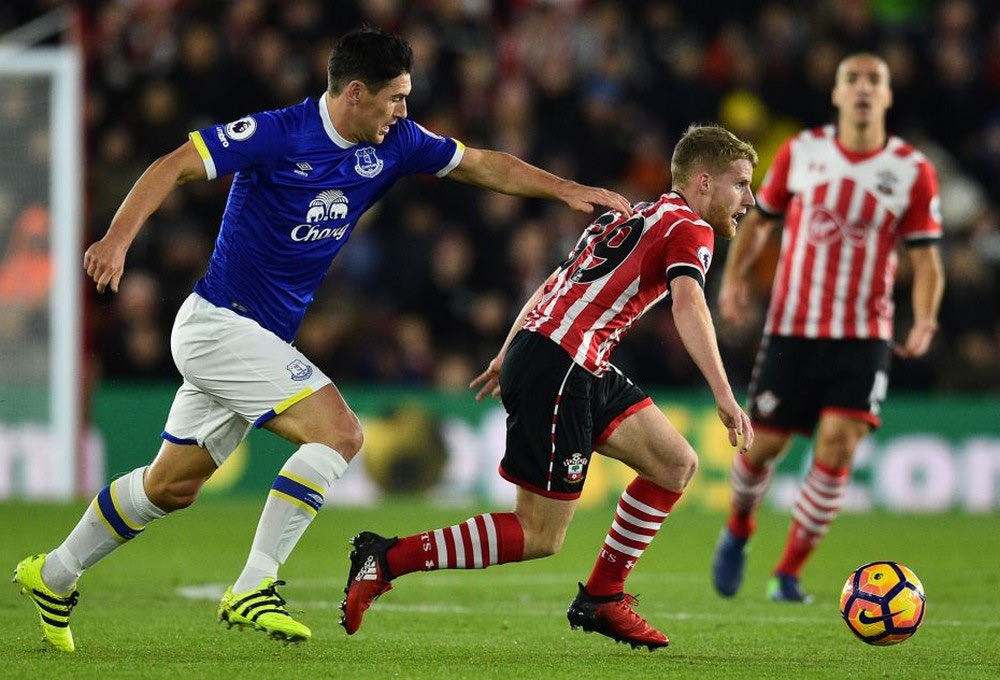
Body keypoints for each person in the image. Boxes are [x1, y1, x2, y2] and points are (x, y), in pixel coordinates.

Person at [11, 26, 632, 653]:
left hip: (259, 340)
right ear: (355, 93)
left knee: (170, 486)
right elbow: (173, 166)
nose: (403, 111)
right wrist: (116, 239)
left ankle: (53, 575)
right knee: (340, 434)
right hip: (219, 325)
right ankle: (254, 585)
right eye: (395, 98)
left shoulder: (396, 143)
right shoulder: (279, 133)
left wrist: (567, 190)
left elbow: (481, 164)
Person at [340, 124, 758, 651]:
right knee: (539, 534)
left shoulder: (628, 216)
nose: (748, 199)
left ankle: (603, 596)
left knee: (675, 463)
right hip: (563, 364)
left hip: (566, 356)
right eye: (740, 184)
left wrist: (507, 351)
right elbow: (688, 302)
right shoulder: (691, 228)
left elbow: (553, 283)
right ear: (703, 182)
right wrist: (724, 392)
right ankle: (386, 558)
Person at [710, 53, 945, 603]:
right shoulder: (802, 151)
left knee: (838, 446)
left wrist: (926, 318)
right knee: (762, 447)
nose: (863, 88)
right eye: (852, 80)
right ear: (836, 94)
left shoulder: (912, 169)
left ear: (887, 96)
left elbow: (927, 258)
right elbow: (759, 222)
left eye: (874, 80)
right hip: (794, 327)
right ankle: (739, 528)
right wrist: (735, 279)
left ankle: (788, 573)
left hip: (865, 333)